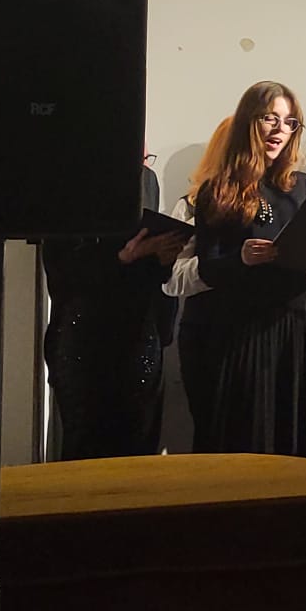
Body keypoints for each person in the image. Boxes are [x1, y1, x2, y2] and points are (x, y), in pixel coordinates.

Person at [183, 81, 306, 457]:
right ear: (249, 121)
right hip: (244, 333)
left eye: (290, 122)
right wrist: (242, 258)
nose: (280, 129)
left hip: (300, 329)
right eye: (270, 119)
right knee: (250, 443)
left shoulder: (303, 185)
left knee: (305, 443)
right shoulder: (219, 190)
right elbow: (209, 270)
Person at [41, 162, 185, 460]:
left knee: (137, 448)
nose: (142, 159)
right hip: (83, 338)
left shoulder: (146, 178)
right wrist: (123, 256)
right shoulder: (64, 184)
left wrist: (162, 257)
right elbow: (63, 270)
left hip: (140, 336)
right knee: (85, 447)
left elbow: (149, 274)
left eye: (146, 154)